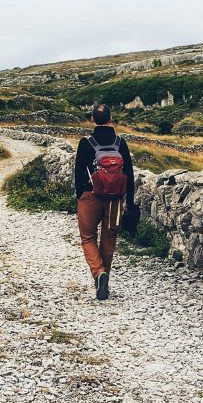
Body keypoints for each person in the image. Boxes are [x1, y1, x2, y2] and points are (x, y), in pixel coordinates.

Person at [74, 103, 136, 301]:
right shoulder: (120, 142)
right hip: (115, 199)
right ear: (111, 119)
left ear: (92, 120)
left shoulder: (86, 142)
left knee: (88, 238)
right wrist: (130, 201)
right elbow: (130, 174)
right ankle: (104, 281)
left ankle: (99, 273)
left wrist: (81, 196)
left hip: (90, 197)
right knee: (109, 240)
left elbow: (78, 173)